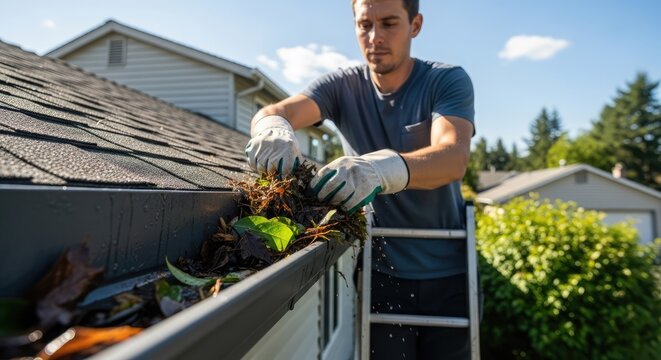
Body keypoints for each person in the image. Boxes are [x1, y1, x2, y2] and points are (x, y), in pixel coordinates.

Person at [245, 0, 475, 358]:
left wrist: (383, 170)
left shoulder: (444, 81)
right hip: (382, 270)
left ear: (415, 25)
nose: (374, 37)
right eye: (365, 24)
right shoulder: (343, 86)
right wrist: (273, 128)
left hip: (447, 273)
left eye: (388, 23)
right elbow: (276, 111)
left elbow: (453, 157)